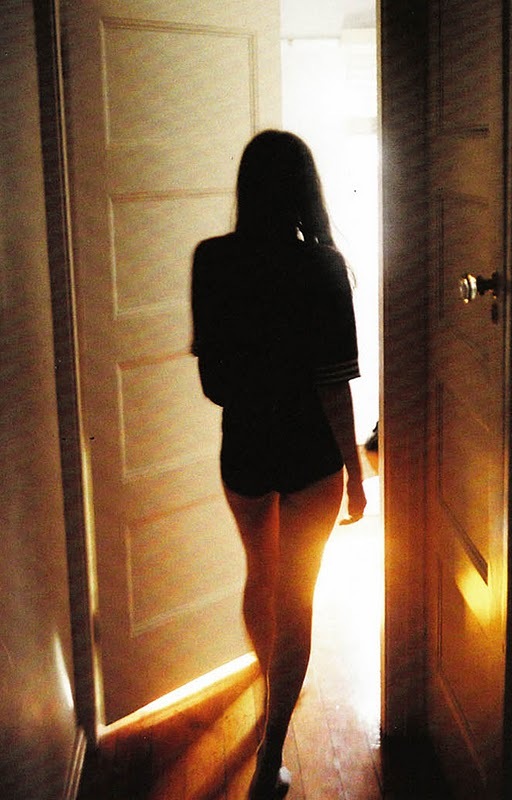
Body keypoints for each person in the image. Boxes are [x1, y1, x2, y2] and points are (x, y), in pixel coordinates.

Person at [191, 130, 366, 799]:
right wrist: (356, 473)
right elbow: (333, 386)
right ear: (305, 190)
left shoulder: (212, 260)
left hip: (244, 445)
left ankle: (273, 691)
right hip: (311, 455)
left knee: (259, 575)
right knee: (296, 598)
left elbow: (213, 384)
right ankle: (271, 755)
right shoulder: (324, 266)